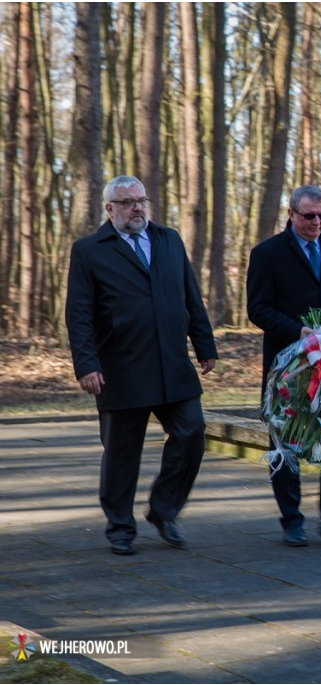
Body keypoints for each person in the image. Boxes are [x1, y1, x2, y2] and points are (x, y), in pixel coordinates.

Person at [66, 175, 218, 556]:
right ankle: (120, 527)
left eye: (142, 200)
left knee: (192, 433)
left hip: (172, 363)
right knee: (121, 452)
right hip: (121, 367)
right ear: (109, 209)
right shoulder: (89, 250)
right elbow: (79, 315)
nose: (137, 207)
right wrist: (86, 364)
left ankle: (164, 510)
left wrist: (204, 343)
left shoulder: (169, 240)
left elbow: (190, 295)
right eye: (128, 202)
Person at [246, 185, 321, 549]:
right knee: (286, 442)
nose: (317, 223)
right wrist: (299, 332)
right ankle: (292, 520)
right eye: (309, 216)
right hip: (289, 366)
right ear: (291, 214)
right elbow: (257, 309)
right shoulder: (267, 253)